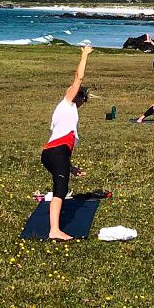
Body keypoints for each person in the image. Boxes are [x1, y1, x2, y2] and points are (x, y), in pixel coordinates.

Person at [41, 45, 93, 240]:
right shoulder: (67, 102)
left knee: (60, 186)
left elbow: (61, 147)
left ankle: (55, 227)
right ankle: (54, 230)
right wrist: (84, 55)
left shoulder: (67, 111)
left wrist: (71, 168)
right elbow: (79, 78)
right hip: (55, 152)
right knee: (60, 190)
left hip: (54, 153)